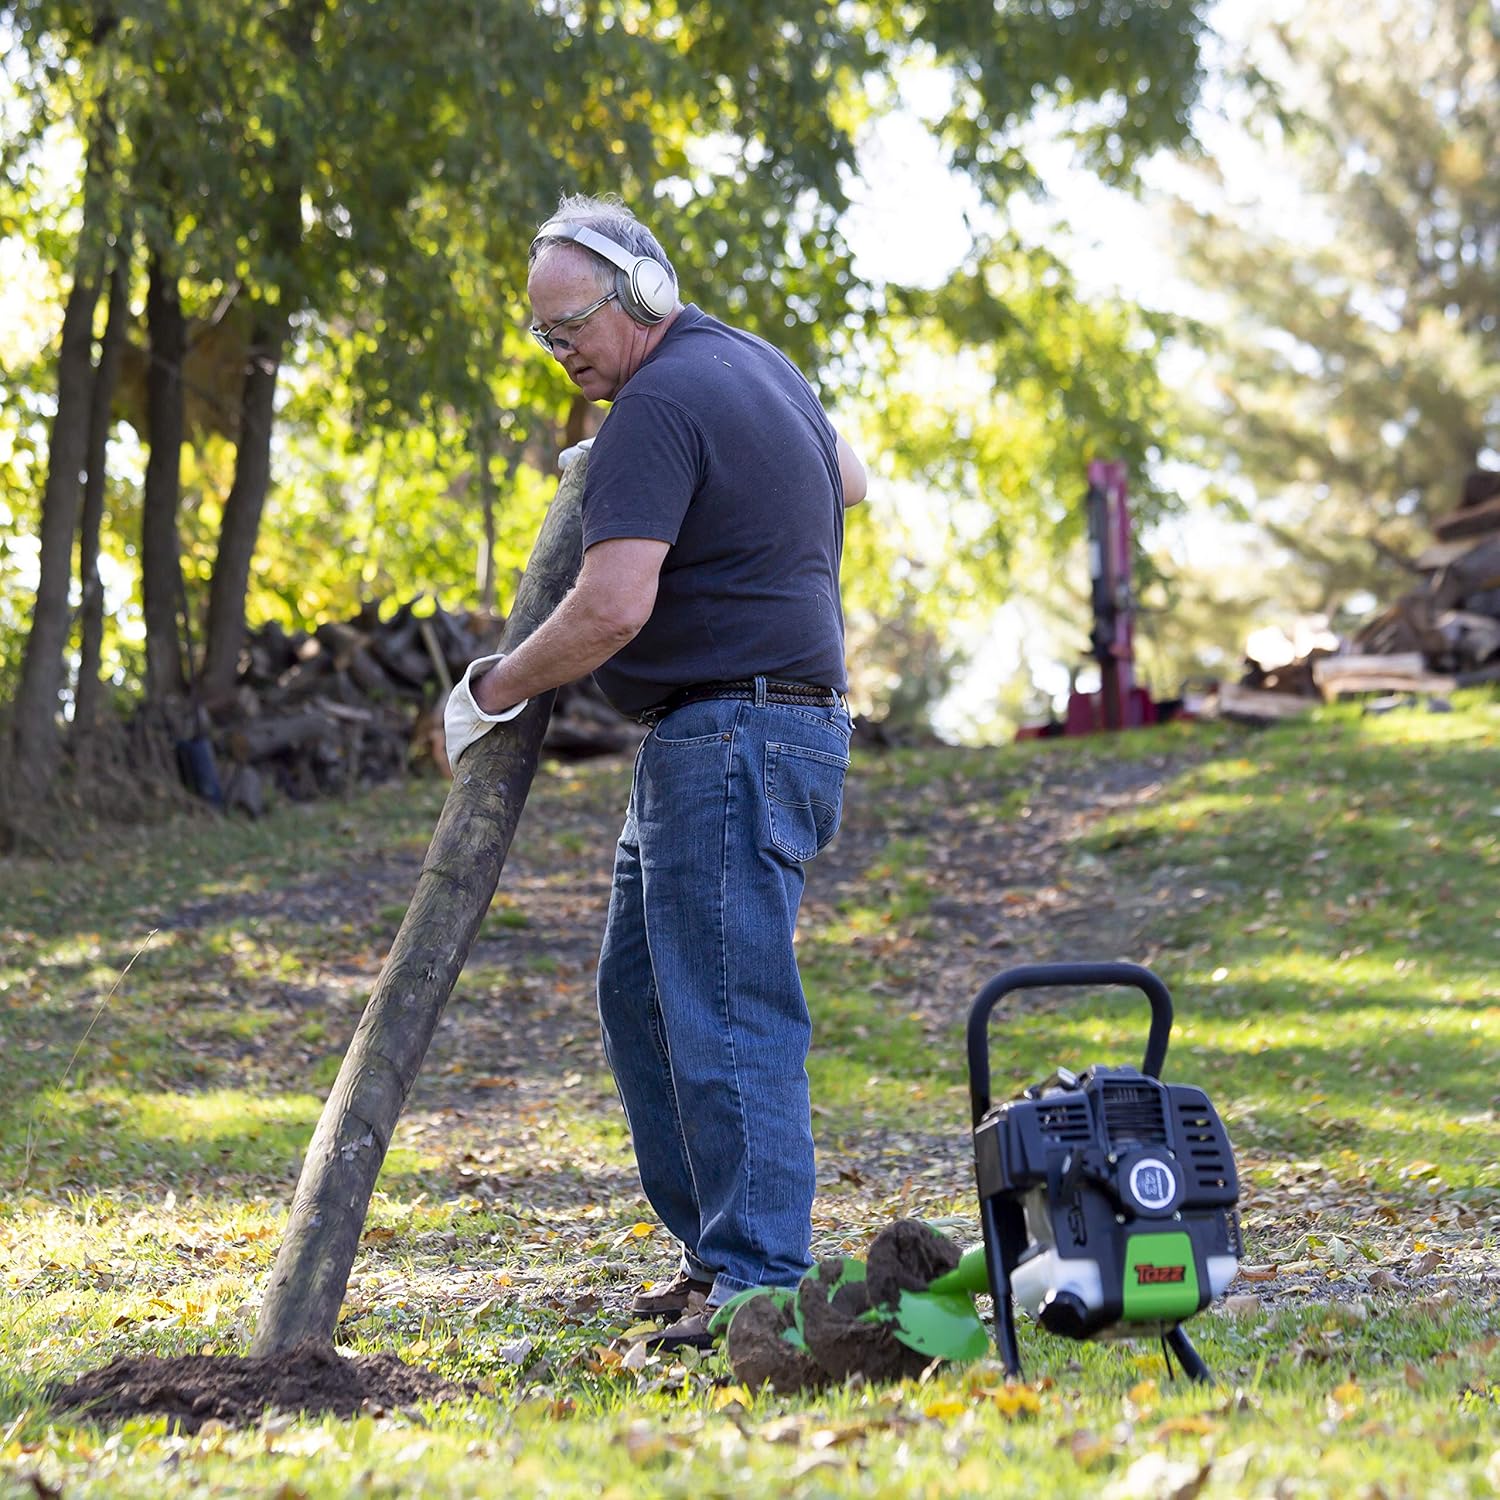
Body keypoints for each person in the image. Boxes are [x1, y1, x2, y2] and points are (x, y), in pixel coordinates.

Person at [446, 193, 866, 1351]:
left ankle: (761, 1284)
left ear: (644, 295)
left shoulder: (659, 402)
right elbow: (855, 477)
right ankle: (716, 1255)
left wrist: (495, 687)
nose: (561, 348)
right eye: (543, 333)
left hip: (731, 733)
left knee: (728, 1009)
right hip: (748, 729)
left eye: (573, 322)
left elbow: (613, 608)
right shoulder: (759, 369)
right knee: (640, 998)